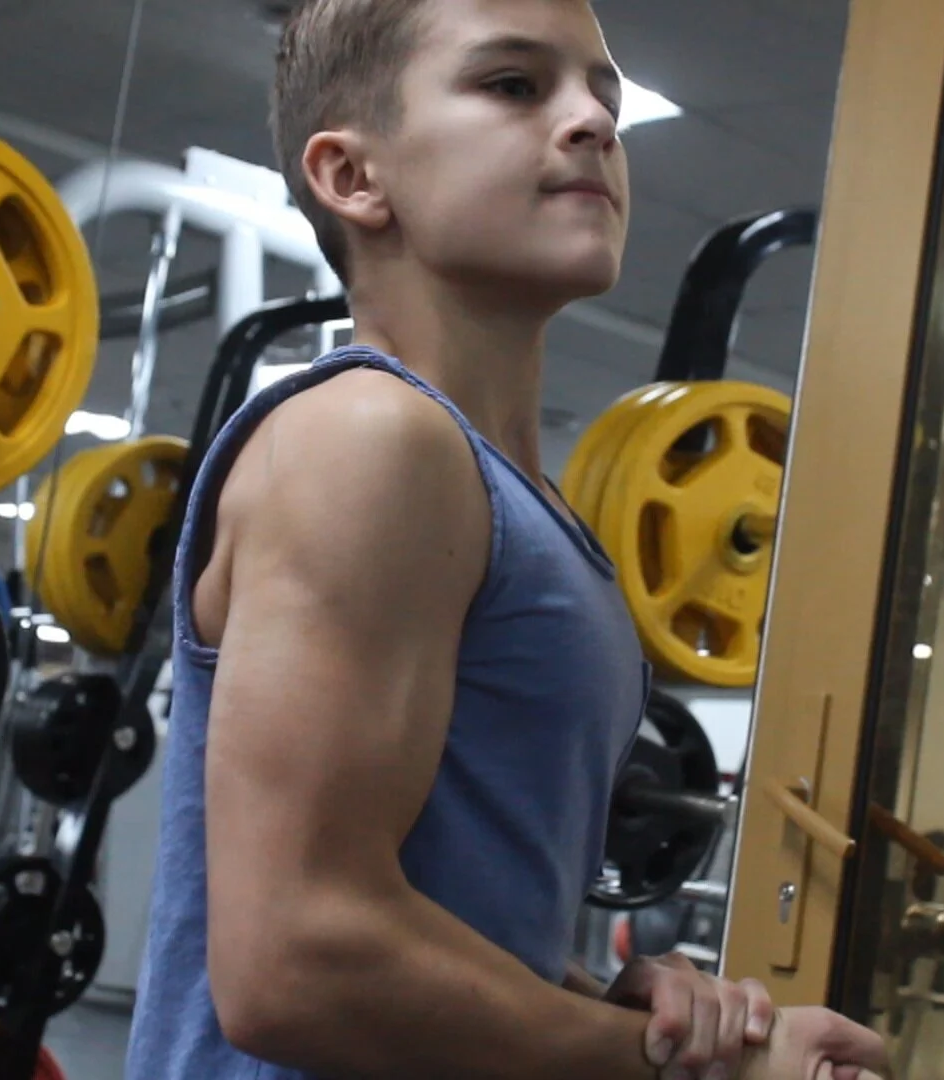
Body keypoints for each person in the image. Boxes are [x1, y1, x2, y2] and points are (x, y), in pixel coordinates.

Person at [125, 1, 891, 1078]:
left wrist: (651, 1027)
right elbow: (298, 961)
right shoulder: (367, 438)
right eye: (514, 85)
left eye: (604, 96)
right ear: (353, 176)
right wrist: (667, 1070)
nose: (594, 121)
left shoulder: (523, 507)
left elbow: (450, 915)